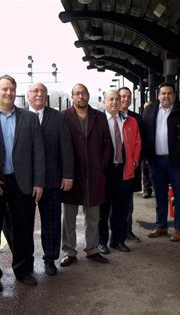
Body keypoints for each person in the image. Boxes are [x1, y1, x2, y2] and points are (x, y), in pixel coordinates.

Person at [0, 75, 45, 290]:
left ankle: (23, 270)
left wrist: (38, 182)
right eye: (4, 89)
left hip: (23, 183)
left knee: (23, 228)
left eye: (12, 89)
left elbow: (38, 152)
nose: (9, 93)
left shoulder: (29, 118)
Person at [60, 83, 112, 266]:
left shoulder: (99, 117)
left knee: (93, 216)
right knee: (69, 216)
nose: (81, 96)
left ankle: (92, 249)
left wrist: (102, 166)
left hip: (94, 175)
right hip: (71, 175)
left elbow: (107, 144)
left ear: (88, 95)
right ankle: (69, 251)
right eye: (77, 93)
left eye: (84, 93)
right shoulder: (64, 116)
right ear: (72, 96)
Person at [26, 82, 74, 276]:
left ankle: (50, 259)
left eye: (43, 91)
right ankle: (25, 263)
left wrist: (68, 175)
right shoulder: (21, 117)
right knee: (24, 224)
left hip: (53, 180)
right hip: (26, 181)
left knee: (51, 222)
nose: (39, 94)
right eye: (35, 91)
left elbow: (66, 148)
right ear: (27, 95)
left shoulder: (58, 117)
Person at [142, 82, 180, 242]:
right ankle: (161, 226)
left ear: (174, 95)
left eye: (169, 93)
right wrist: (146, 157)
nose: (166, 96)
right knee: (160, 196)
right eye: (163, 93)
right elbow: (144, 135)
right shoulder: (150, 111)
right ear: (158, 95)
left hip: (177, 162)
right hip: (156, 161)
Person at [98, 90, 141, 254]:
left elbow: (138, 143)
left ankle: (118, 240)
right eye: (111, 99)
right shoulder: (98, 120)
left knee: (121, 209)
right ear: (104, 101)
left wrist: (135, 161)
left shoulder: (131, 121)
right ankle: (101, 241)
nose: (115, 102)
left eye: (117, 99)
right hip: (104, 172)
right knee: (103, 208)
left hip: (123, 170)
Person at [118, 87, 142, 242]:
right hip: (113, 168)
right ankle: (115, 232)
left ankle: (127, 230)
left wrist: (134, 161)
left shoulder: (135, 118)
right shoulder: (107, 117)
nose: (125, 99)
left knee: (128, 202)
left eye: (128, 96)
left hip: (130, 167)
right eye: (122, 96)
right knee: (113, 202)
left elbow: (139, 142)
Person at [141, 101, 154, 199]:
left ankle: (149, 189)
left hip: (152, 151)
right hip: (146, 150)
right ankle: (147, 189)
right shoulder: (142, 120)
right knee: (145, 171)